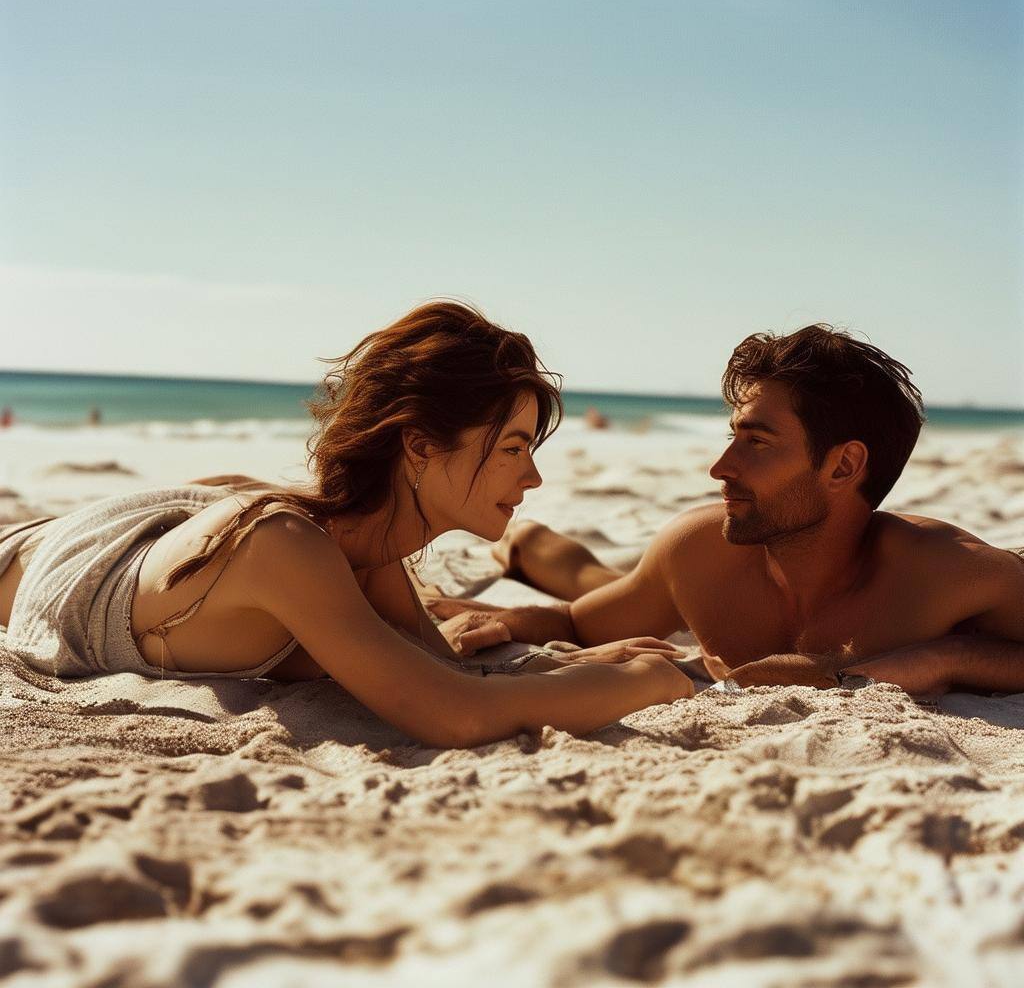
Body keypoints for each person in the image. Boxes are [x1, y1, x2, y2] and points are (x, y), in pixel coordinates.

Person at [0, 301, 693, 748]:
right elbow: (453, 713)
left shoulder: (371, 552)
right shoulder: (289, 549)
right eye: (513, 448)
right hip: (41, 557)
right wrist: (649, 682)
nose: (533, 478)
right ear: (420, 445)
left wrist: (575, 662)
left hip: (177, 534)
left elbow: (443, 670)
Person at [428, 325, 1024, 699]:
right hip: (695, 576)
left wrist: (939, 656)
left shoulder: (948, 574)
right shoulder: (698, 548)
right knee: (612, 585)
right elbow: (583, 625)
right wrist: (505, 620)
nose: (720, 467)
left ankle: (529, 543)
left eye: (757, 442)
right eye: (732, 435)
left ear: (842, 468)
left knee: (628, 583)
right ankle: (528, 543)